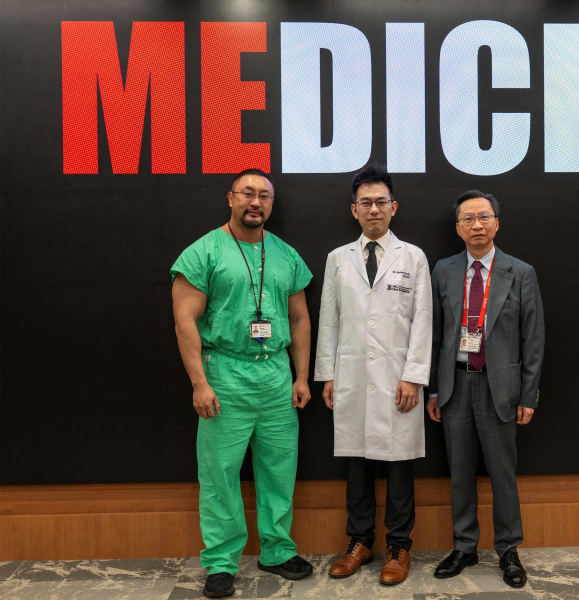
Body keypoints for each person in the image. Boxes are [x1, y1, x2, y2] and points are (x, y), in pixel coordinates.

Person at [171, 169, 314, 599]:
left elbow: (299, 318)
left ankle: (277, 550)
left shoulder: (286, 254)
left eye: (264, 196)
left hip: (276, 376)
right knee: (220, 473)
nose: (256, 201)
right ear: (230, 198)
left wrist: (301, 375)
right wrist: (199, 383)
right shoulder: (203, 252)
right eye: (247, 193)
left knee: (279, 469)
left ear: (271, 204)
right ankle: (220, 563)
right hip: (224, 374)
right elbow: (184, 321)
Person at [315, 164, 432, 585]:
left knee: (399, 465)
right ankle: (360, 542)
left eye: (381, 202)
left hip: (398, 377)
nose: (374, 209)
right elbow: (329, 319)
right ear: (354, 209)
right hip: (351, 374)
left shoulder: (413, 257)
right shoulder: (337, 259)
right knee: (357, 464)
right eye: (365, 203)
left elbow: (423, 321)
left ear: (393, 207)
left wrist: (414, 375)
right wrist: (328, 374)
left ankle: (399, 546)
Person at [427, 190, 544, 588]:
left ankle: (508, 550)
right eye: (468, 219)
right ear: (458, 227)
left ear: (496, 222)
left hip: (501, 389)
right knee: (460, 472)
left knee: (502, 473)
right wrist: (433, 390)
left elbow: (533, 339)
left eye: (484, 217)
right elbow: (434, 335)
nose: (476, 225)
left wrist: (528, 394)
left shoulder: (520, 272)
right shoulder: (443, 270)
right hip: (455, 385)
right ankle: (464, 546)